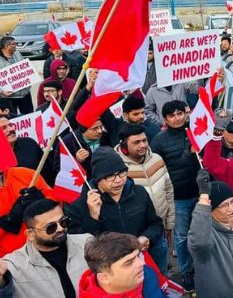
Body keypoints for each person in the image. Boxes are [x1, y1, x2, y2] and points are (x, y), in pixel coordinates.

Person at [65, 147, 165, 275]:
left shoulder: (139, 192)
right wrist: (93, 217)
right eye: (110, 176)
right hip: (111, 273)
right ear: (97, 178)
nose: (118, 180)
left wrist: (147, 237)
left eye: (122, 173)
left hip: (144, 262)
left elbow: (155, 223)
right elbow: (83, 247)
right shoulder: (78, 206)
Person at [0, 199, 90, 298]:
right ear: (30, 234)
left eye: (63, 221)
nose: (60, 229)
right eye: (50, 227)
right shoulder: (14, 265)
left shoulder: (86, 243)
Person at [149, 99, 199, 292]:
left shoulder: (196, 131)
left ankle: (203, 267)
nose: (177, 118)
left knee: (204, 233)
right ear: (165, 119)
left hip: (201, 192)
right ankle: (186, 271)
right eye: (172, 115)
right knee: (181, 236)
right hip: (179, 196)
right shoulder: (159, 141)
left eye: (180, 113)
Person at [116, 124, 174, 274]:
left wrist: (169, 223)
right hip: (131, 242)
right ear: (124, 146)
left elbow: (168, 190)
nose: (143, 145)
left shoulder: (157, 159)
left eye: (144, 140)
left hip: (158, 233)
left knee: (161, 277)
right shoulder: (117, 169)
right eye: (136, 142)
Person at [0, 167, 51, 257]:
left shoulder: (27, 174)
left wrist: (43, 202)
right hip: (7, 264)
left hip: (47, 250)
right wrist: (7, 221)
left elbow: (57, 205)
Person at [79, 232, 165, 297]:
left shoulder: (145, 273)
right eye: (129, 262)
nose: (141, 263)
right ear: (104, 278)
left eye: (137, 256)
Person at [0, 115, 59, 187]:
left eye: (11, 125)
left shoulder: (29, 143)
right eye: (4, 128)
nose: (11, 129)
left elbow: (48, 172)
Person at [0, 37, 33, 114]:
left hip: (25, 94)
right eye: (14, 44)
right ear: (7, 46)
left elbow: (25, 69)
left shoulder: (17, 53)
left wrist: (29, 82)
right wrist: (0, 91)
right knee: (12, 120)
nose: (16, 45)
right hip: (10, 97)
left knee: (30, 118)